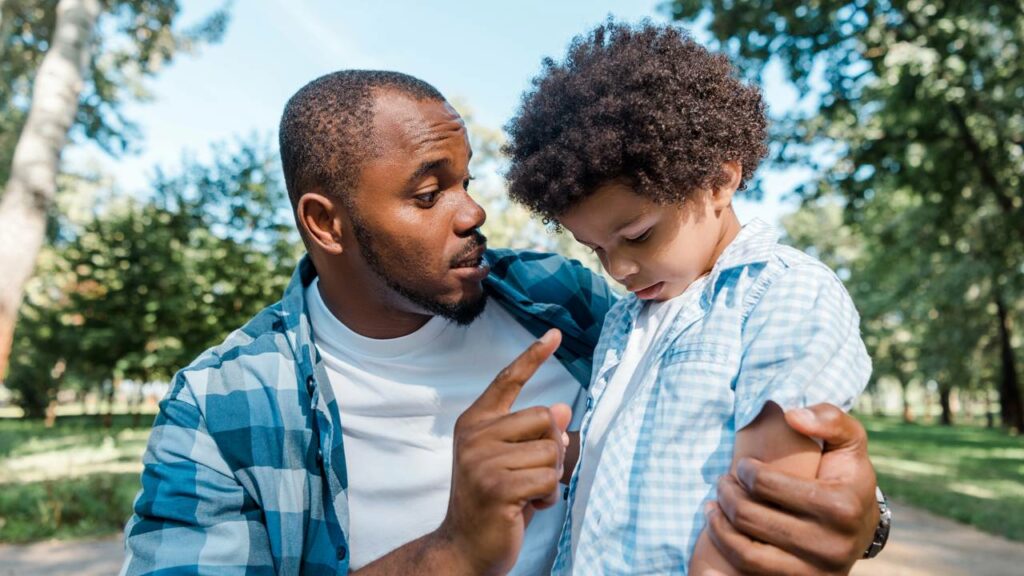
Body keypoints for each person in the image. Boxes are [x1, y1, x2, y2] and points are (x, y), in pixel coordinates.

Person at [121, 69, 885, 576]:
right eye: (428, 194)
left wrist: (854, 518)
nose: (475, 212)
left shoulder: (565, 300)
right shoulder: (220, 407)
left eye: (466, 181)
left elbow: (687, 429)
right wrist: (453, 549)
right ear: (326, 223)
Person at [503, 20, 875, 575]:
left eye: (637, 236)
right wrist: (569, 453)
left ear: (719, 181)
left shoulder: (784, 294)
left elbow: (768, 505)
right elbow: (650, 444)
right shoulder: (627, 317)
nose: (619, 269)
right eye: (594, 249)